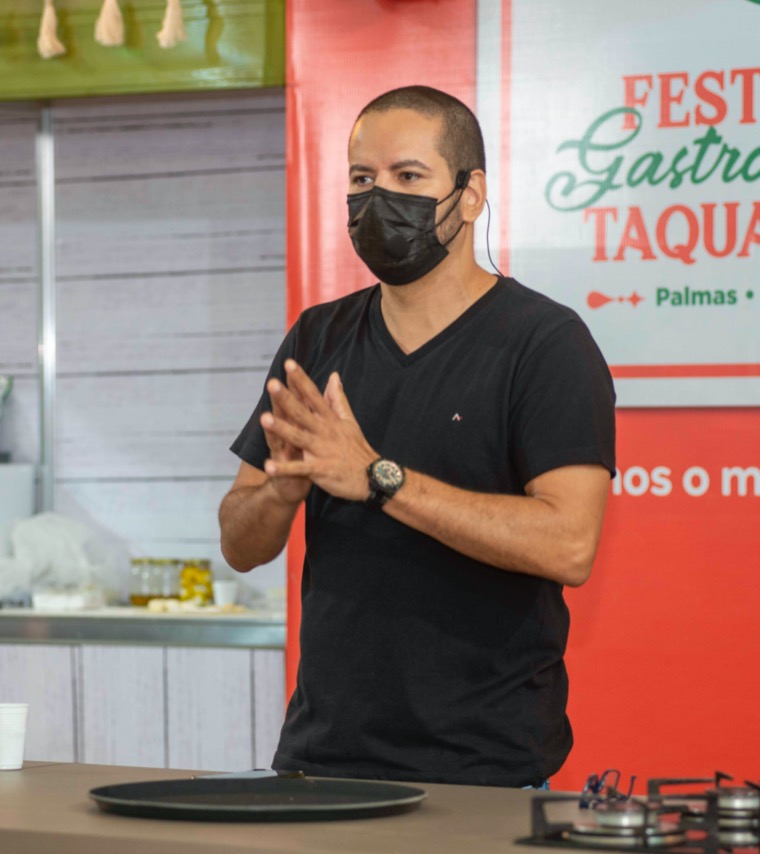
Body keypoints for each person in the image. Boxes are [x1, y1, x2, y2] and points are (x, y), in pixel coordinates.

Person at [218, 85, 616, 788]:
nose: (378, 201)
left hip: (484, 771)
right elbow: (241, 545)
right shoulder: (319, 335)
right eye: (361, 180)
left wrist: (376, 478)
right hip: (320, 762)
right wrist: (282, 490)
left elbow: (570, 544)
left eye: (407, 177)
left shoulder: (544, 343)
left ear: (470, 194)